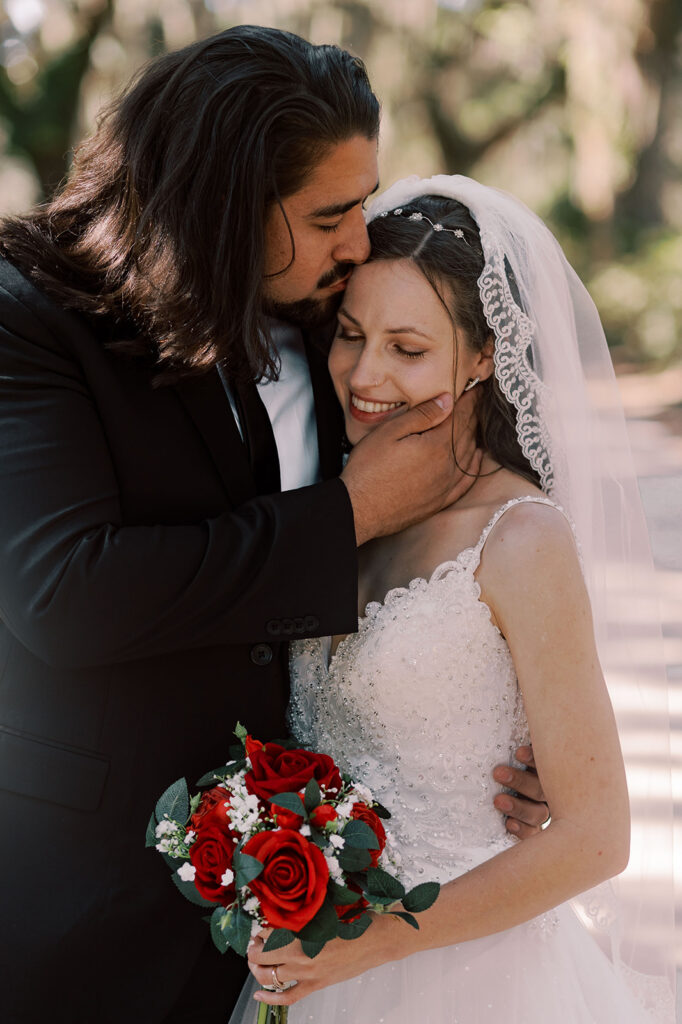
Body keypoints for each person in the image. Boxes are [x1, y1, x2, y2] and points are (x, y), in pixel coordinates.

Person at [0, 29, 549, 1024]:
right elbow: (63, 593)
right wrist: (352, 512)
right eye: (330, 213)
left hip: (316, 909)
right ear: (220, 206)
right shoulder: (31, 316)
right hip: (87, 904)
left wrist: (517, 737)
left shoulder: (336, 318)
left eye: (362, 203)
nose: (357, 240)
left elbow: (474, 530)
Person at [242, 177, 677, 1022]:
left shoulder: (519, 537)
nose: (364, 375)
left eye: (407, 349)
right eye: (352, 335)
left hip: (471, 975)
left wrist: (385, 937)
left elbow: (598, 836)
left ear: (483, 356)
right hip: (318, 971)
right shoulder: (331, 503)